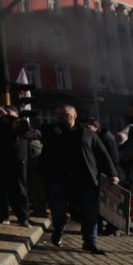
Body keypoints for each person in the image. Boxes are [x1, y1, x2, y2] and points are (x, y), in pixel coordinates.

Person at [41, 104, 118, 254]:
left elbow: (102, 154)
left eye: (66, 114)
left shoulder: (88, 134)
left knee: (90, 211)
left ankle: (90, 241)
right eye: (60, 114)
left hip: (85, 179)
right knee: (59, 210)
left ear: (74, 115)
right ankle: (59, 227)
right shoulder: (53, 131)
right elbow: (42, 132)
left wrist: (112, 173)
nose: (62, 116)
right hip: (59, 178)